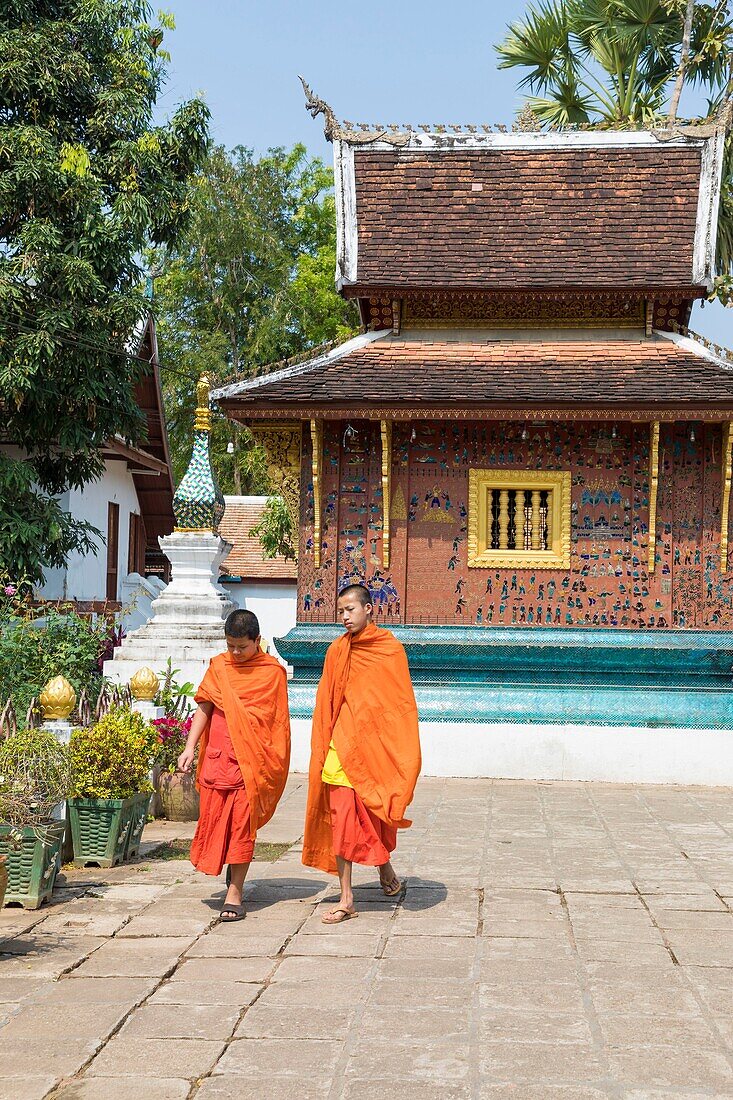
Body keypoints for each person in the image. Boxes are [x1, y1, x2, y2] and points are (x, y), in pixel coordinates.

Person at [303, 584, 421, 924]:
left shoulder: (389, 650)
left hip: (373, 749)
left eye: (350, 610)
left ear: (369, 609)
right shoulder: (337, 651)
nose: (344, 617)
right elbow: (327, 700)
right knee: (342, 821)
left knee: (371, 814)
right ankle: (347, 897)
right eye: (340, 611)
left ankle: (384, 868)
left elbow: (397, 705)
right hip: (342, 747)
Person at [177, 609, 290, 922]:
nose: (236, 653)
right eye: (231, 646)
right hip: (218, 758)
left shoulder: (272, 673)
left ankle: (235, 892)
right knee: (215, 821)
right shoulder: (219, 667)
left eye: (242, 646)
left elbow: (276, 723)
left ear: (257, 641)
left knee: (242, 826)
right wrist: (188, 748)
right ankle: (230, 873)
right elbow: (203, 707)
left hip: (251, 764)